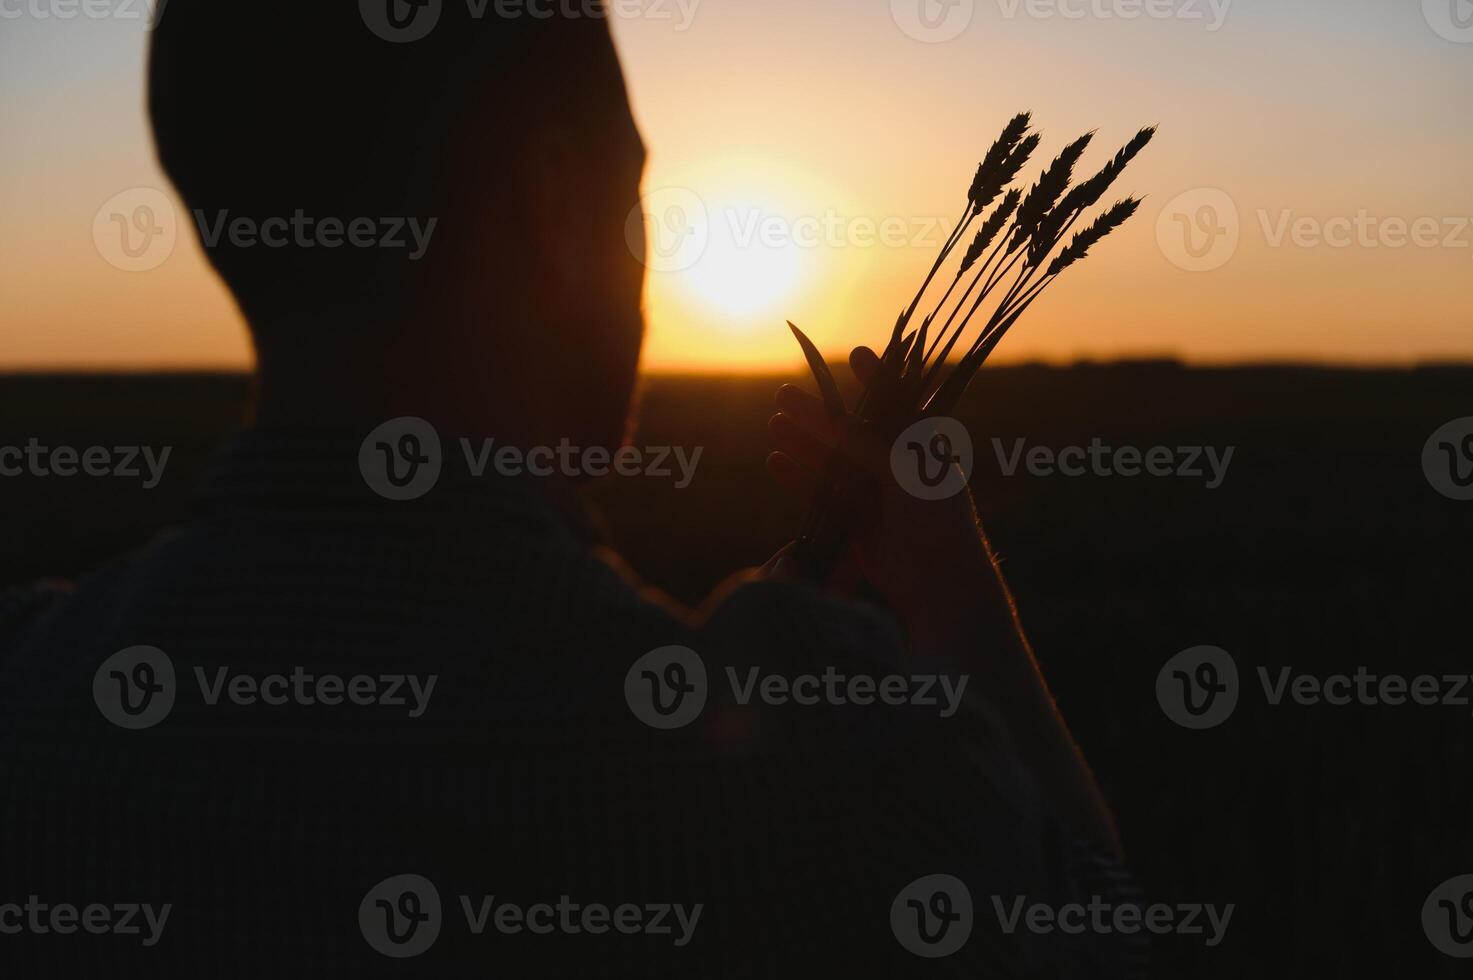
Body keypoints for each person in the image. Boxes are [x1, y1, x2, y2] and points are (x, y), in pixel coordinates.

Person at [0, 3, 1142, 975]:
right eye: (633, 199)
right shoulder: (837, 771)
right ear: (550, 200)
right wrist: (954, 600)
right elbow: (1106, 939)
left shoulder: (29, 689)